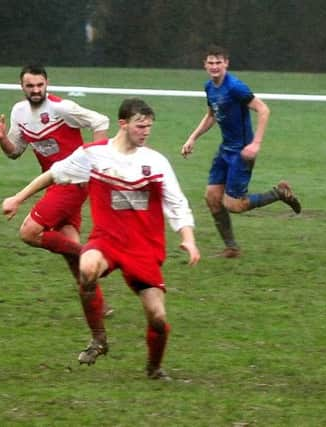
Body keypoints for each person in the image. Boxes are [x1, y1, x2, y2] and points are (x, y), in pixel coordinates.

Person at [3, 98, 201, 379]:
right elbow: (54, 173)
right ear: (123, 124)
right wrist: (18, 198)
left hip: (143, 248)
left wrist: (189, 238)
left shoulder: (155, 162)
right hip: (106, 240)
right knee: (86, 267)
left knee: (157, 318)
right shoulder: (94, 154)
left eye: (149, 127)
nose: (146, 132)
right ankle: (99, 338)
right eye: (140, 126)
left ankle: (154, 368)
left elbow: (177, 203)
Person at [0, 64, 114, 317]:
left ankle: (93, 255)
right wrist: (2, 139)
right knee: (68, 247)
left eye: (40, 85)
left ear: (47, 83)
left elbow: (101, 121)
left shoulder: (62, 108)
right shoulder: (19, 112)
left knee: (29, 233)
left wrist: (92, 164)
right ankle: (98, 303)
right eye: (30, 86)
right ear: (22, 87)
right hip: (54, 183)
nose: (36, 90)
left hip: (72, 182)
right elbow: (15, 152)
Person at [181, 45, 301, 258]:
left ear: (226, 63)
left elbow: (264, 109)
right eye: (211, 62)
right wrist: (192, 138)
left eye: (219, 62)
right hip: (225, 149)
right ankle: (231, 248)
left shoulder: (236, 87)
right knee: (211, 197)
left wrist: (256, 144)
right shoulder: (209, 87)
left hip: (241, 152)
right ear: (205, 65)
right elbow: (211, 115)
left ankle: (279, 193)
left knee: (234, 205)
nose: (215, 66)